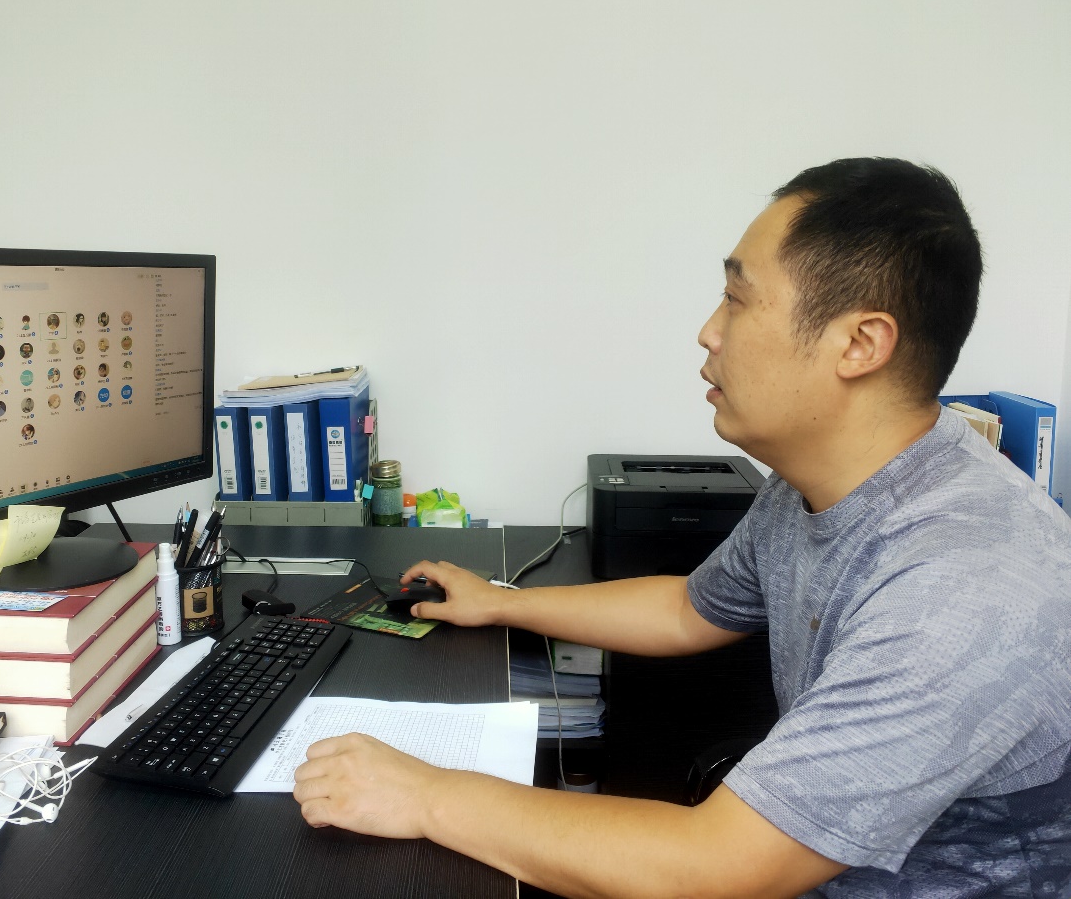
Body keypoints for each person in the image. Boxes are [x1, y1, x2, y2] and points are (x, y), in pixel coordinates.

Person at [292, 159, 1071, 897]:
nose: (708, 331)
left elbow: (717, 869)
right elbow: (687, 609)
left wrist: (425, 795)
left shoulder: (965, 586)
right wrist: (501, 602)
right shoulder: (817, 485)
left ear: (860, 344)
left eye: (737, 299)